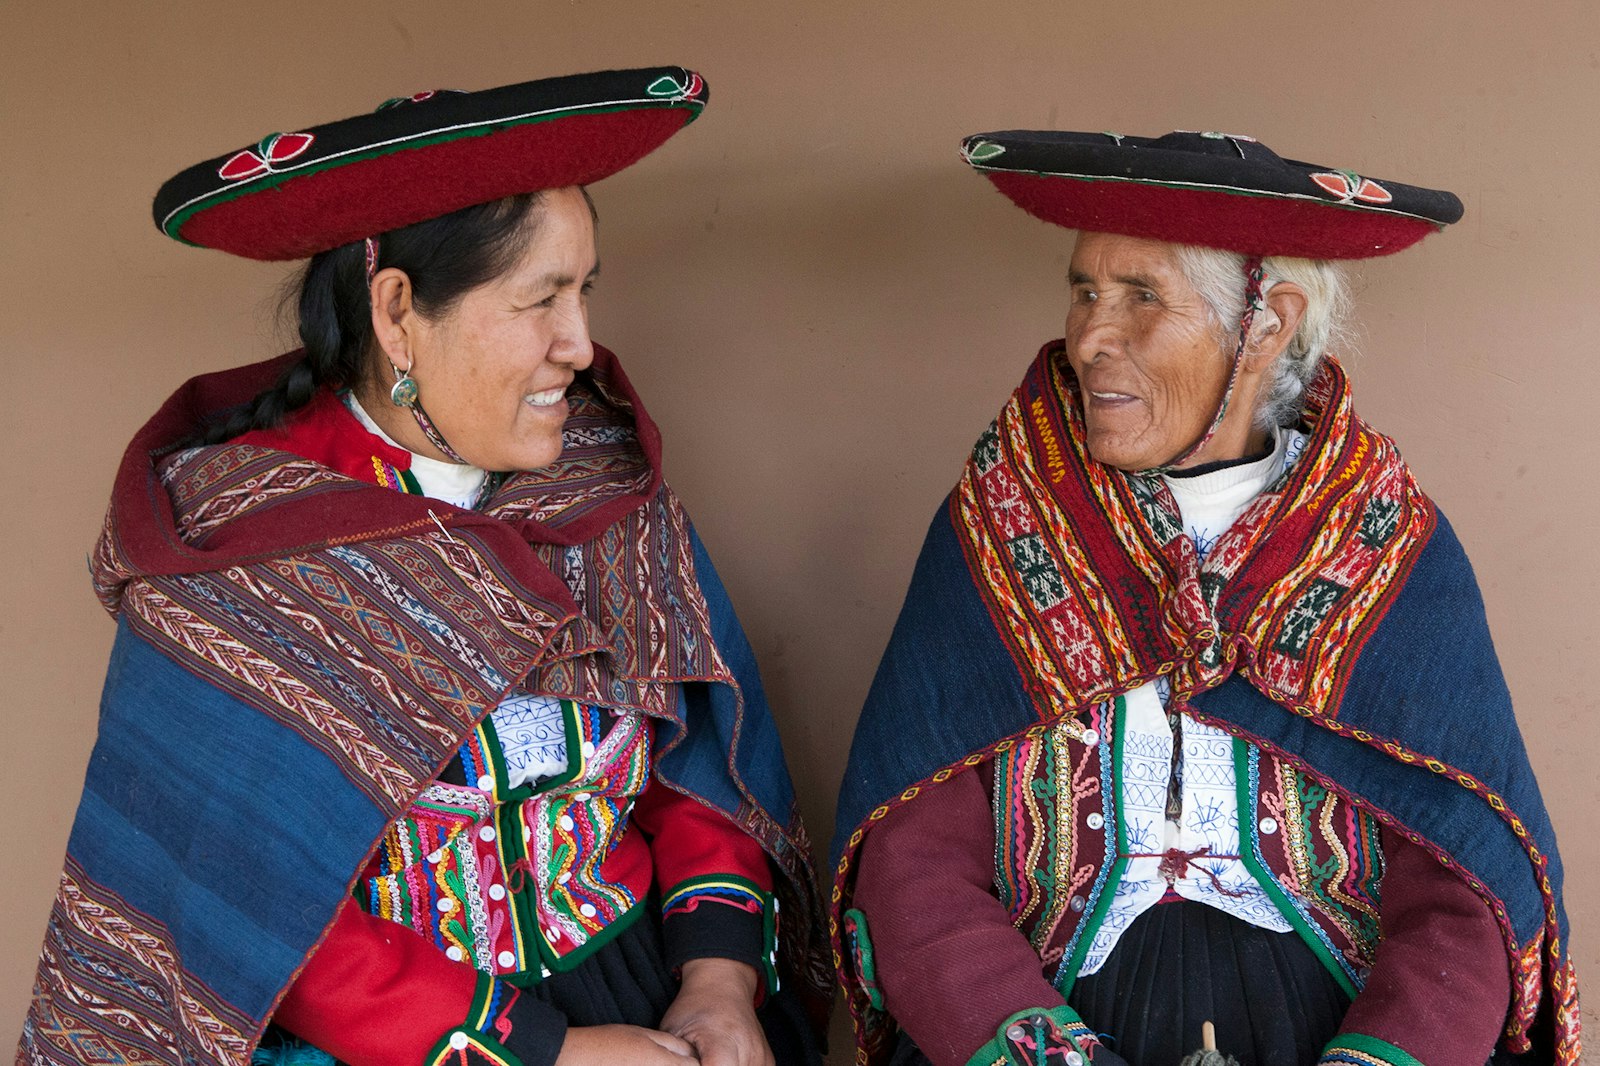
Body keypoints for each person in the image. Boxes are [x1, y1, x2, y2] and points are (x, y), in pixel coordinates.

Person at [19, 67, 826, 1066]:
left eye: (584, 291)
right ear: (398, 311)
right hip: (395, 1038)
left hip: (644, 1000)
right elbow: (242, 902)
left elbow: (692, 767)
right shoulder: (241, 558)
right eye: (540, 299)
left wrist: (717, 981)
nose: (580, 344)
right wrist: (548, 1053)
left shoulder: (604, 489)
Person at [830, 130, 1579, 1066]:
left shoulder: (1384, 544)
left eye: (1141, 297)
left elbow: (1464, 884)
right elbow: (914, 865)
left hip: (1344, 1019)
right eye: (1084, 291)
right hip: (1030, 1017)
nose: (1089, 338)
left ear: (1265, 326)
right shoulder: (999, 524)